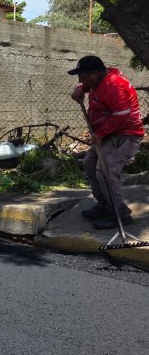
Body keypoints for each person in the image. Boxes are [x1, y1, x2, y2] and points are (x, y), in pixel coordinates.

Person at [69, 55, 144, 230]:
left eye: (83, 76)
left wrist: (100, 134)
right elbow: (88, 85)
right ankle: (104, 205)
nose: (80, 79)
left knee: (106, 171)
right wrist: (81, 88)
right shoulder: (99, 80)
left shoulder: (113, 86)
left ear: (94, 73)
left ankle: (119, 214)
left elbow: (121, 116)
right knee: (89, 162)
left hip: (125, 135)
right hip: (109, 134)